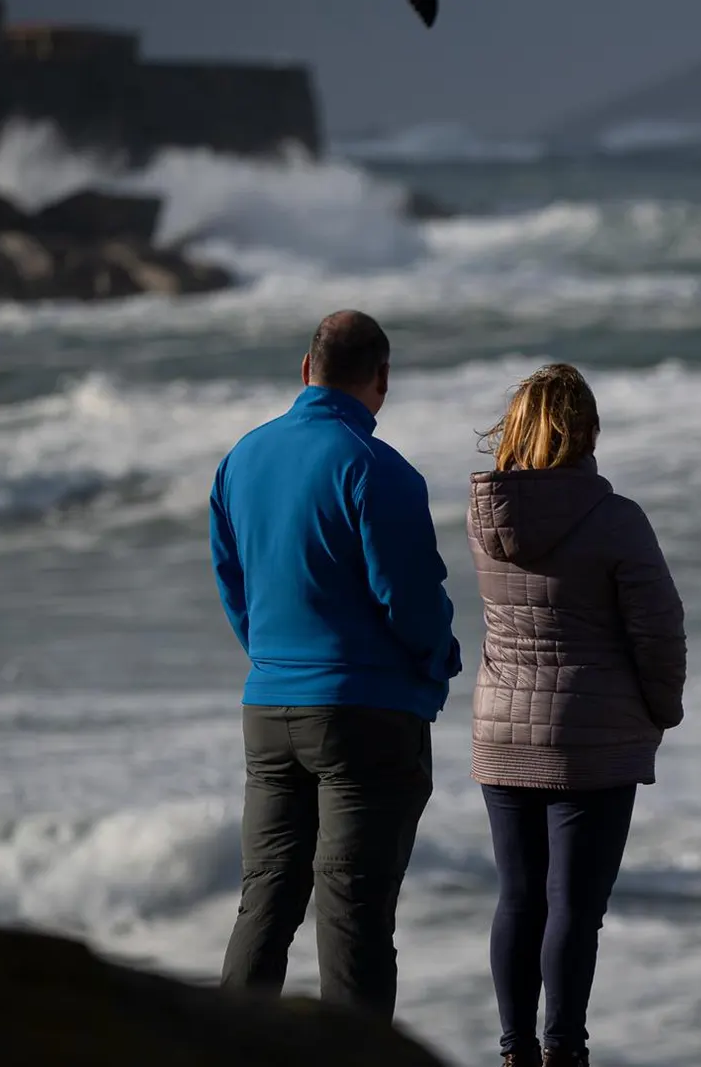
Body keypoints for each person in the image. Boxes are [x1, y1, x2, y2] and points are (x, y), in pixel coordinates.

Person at [210, 309, 461, 1021]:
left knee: (265, 898)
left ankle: (221, 1050)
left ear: (305, 370)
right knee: (351, 913)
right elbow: (409, 600)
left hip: (269, 709)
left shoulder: (240, 460)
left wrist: (272, 661)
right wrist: (438, 662)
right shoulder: (377, 469)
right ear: (381, 379)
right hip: (364, 715)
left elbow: (236, 587)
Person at [466, 364, 687, 1067]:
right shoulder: (616, 518)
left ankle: (513, 1051)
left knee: (518, 898)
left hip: (501, 729)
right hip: (588, 741)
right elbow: (659, 631)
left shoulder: (484, 517)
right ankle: (565, 1049)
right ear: (587, 430)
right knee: (573, 906)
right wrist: (661, 709)